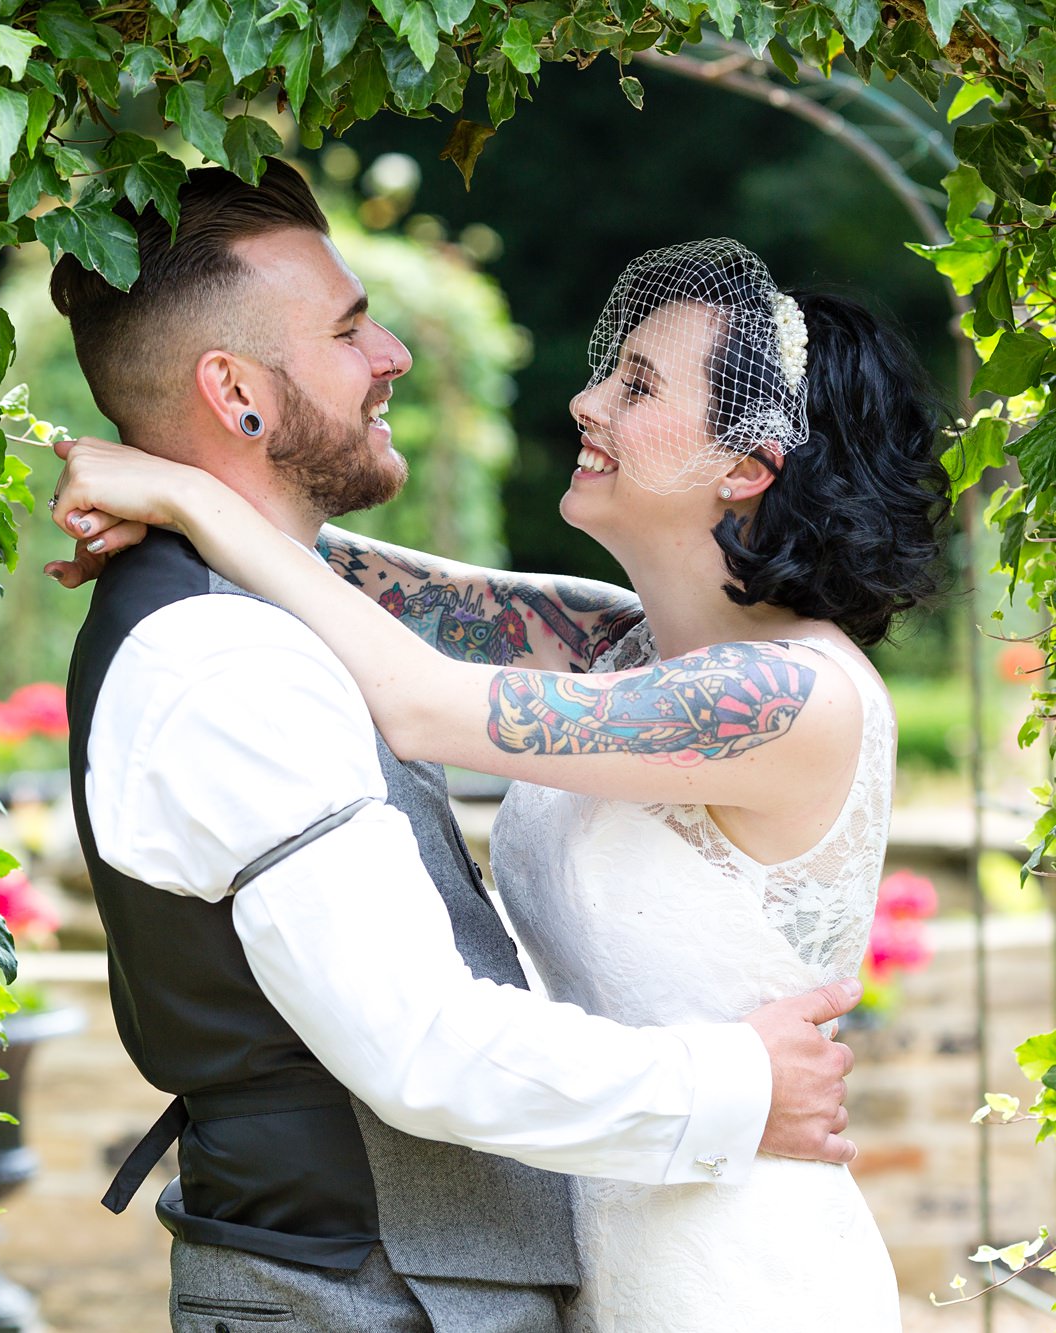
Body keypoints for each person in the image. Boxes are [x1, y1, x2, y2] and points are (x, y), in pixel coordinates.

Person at [48, 220, 949, 1330]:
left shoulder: (784, 701)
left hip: (725, 1257)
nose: (585, 402)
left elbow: (421, 698)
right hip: (598, 1222)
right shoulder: (623, 646)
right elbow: (377, 578)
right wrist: (170, 518)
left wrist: (188, 502)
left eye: (636, 382)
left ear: (746, 464)